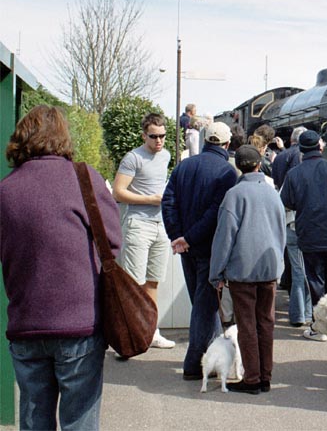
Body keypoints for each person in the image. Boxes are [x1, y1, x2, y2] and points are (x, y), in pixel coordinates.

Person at [0, 105, 122, 430]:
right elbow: (112, 243)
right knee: (80, 421)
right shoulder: (84, 178)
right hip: (79, 323)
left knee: (33, 419)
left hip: (25, 323)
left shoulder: (6, 189)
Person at [161, 122, 238, 380]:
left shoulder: (184, 165)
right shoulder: (227, 172)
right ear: (227, 145)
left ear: (206, 140)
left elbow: (168, 201)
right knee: (205, 307)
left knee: (202, 303)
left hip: (186, 248)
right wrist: (189, 238)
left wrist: (177, 236)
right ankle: (193, 363)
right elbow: (215, 214)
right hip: (208, 248)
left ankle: (215, 356)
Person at [209, 145, 286, 394]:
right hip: (270, 267)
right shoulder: (273, 193)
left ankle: (251, 378)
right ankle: (266, 376)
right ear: (259, 164)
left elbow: (224, 238)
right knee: (266, 322)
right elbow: (281, 232)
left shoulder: (234, 195)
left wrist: (216, 272)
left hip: (243, 269)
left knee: (247, 325)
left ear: (238, 167)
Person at [112, 112, 175, 349]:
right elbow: (118, 192)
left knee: (153, 281)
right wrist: (150, 199)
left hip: (160, 225)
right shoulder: (132, 158)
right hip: (138, 224)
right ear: (143, 135)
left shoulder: (165, 155)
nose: (159, 141)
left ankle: (151, 332)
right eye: (154, 136)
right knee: (134, 283)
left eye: (163, 136)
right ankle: (130, 335)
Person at [280, 130, 327, 341]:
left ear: (301, 149)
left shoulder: (293, 174)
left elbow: (288, 202)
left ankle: (319, 326)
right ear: (320, 147)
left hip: (308, 234)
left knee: (315, 282)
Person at [273, 127, 311, 325]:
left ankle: (299, 314)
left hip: (288, 222)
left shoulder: (280, 156)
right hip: (303, 223)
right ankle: (305, 314)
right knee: (305, 273)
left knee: (296, 270)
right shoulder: (299, 159)